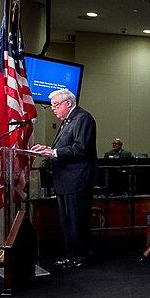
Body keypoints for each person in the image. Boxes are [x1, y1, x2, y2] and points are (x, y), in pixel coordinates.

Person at [31, 89, 98, 269]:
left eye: (55, 105)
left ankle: (82, 255)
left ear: (68, 103)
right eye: (52, 106)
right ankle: (71, 254)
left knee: (77, 219)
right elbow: (64, 147)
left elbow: (81, 148)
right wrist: (48, 149)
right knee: (68, 221)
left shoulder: (82, 118)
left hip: (76, 179)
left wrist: (53, 152)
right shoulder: (68, 120)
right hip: (65, 179)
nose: (53, 109)